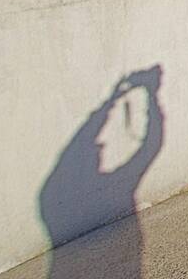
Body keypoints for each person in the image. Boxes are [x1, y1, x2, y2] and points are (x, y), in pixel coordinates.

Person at [39, 66, 164, 279]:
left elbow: (76, 146)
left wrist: (111, 102)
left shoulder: (49, 198)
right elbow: (151, 145)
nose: (101, 146)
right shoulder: (119, 189)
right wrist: (150, 94)